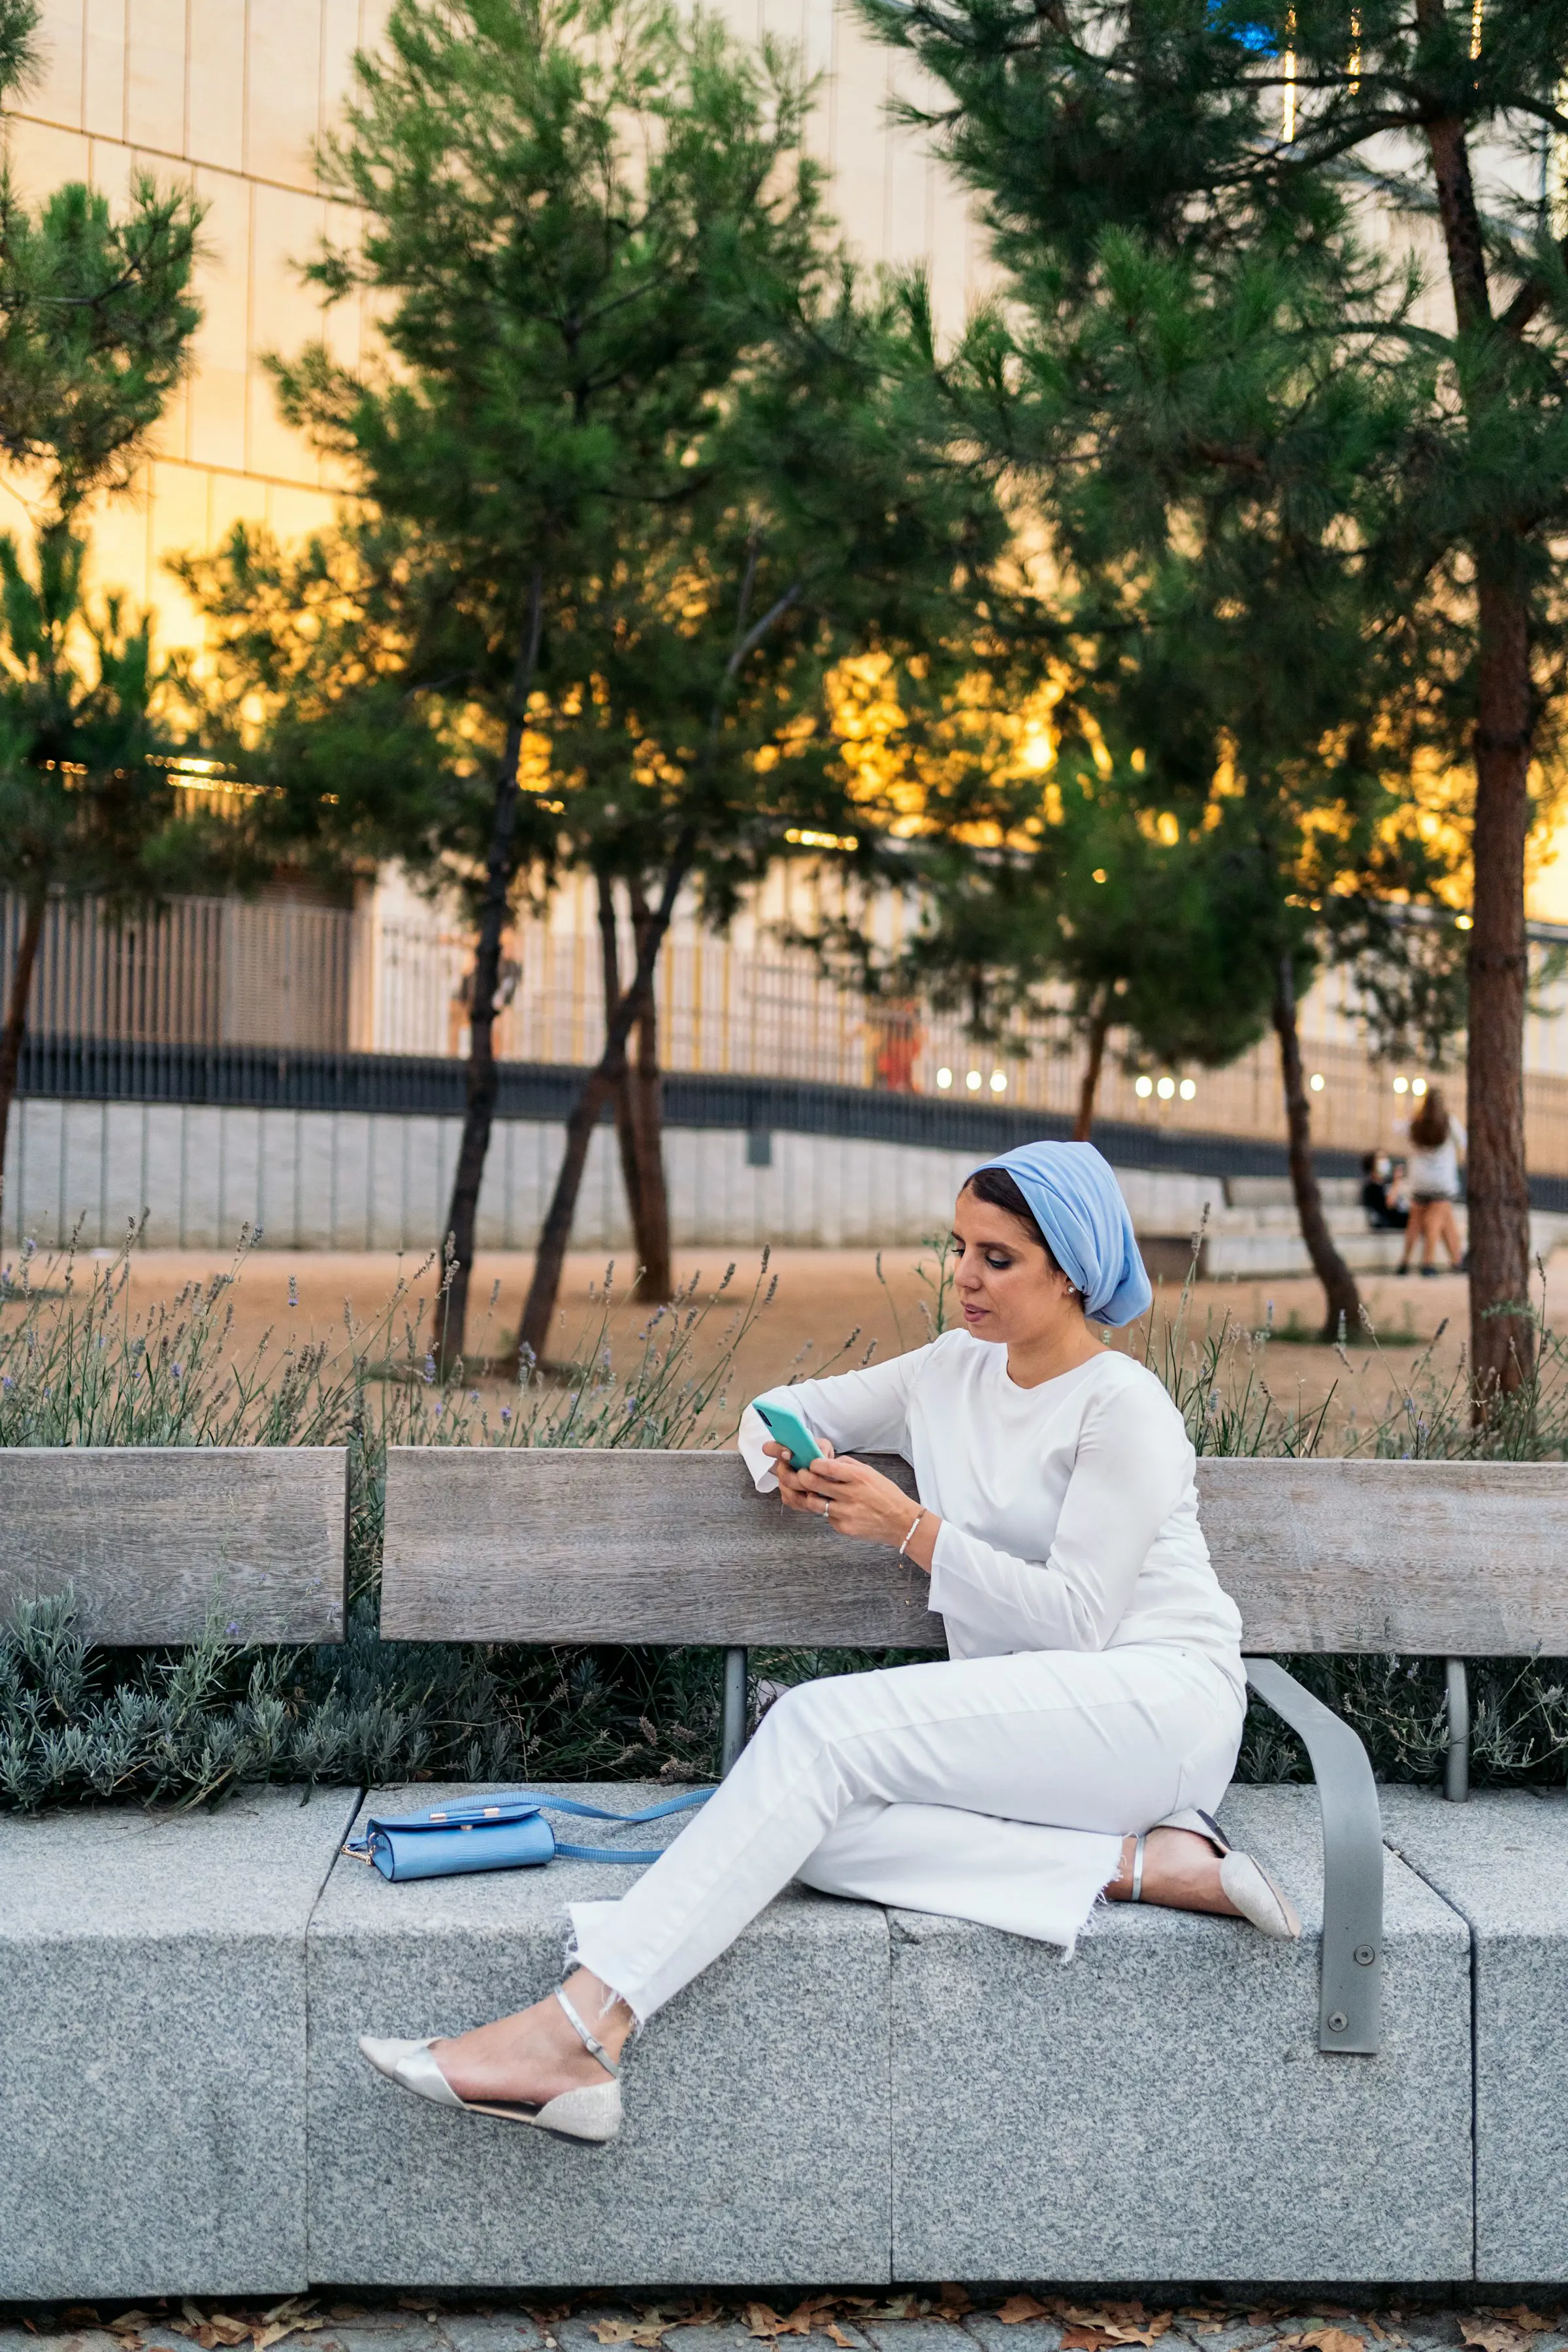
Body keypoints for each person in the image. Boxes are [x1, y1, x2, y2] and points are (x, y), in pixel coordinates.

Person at [358, 1141, 1300, 2144]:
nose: (965, 1278)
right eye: (959, 1248)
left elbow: (1079, 1619)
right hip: (1048, 1738)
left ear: (1071, 1269)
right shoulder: (950, 1369)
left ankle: (583, 2028)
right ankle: (1141, 1866)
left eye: (998, 1257)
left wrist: (910, 1529)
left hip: (1156, 1705)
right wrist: (789, 1468)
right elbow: (780, 1410)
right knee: (810, 1822)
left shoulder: (1125, 1407)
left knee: (811, 1730)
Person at [1397, 1088, 1466, 1277]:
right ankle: (1428, 1263)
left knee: (1416, 1221)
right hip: (1442, 1182)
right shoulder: (1449, 1122)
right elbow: (1464, 1142)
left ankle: (1404, 1262)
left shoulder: (1415, 1123)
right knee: (1435, 1221)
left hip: (1419, 1181)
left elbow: (1397, 1128)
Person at [1361, 1151, 1410, 1232]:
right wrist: (1397, 1182)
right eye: (1381, 1159)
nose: (1385, 1162)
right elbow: (1390, 1204)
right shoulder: (1371, 1187)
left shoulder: (1383, 1184)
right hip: (1388, 1224)